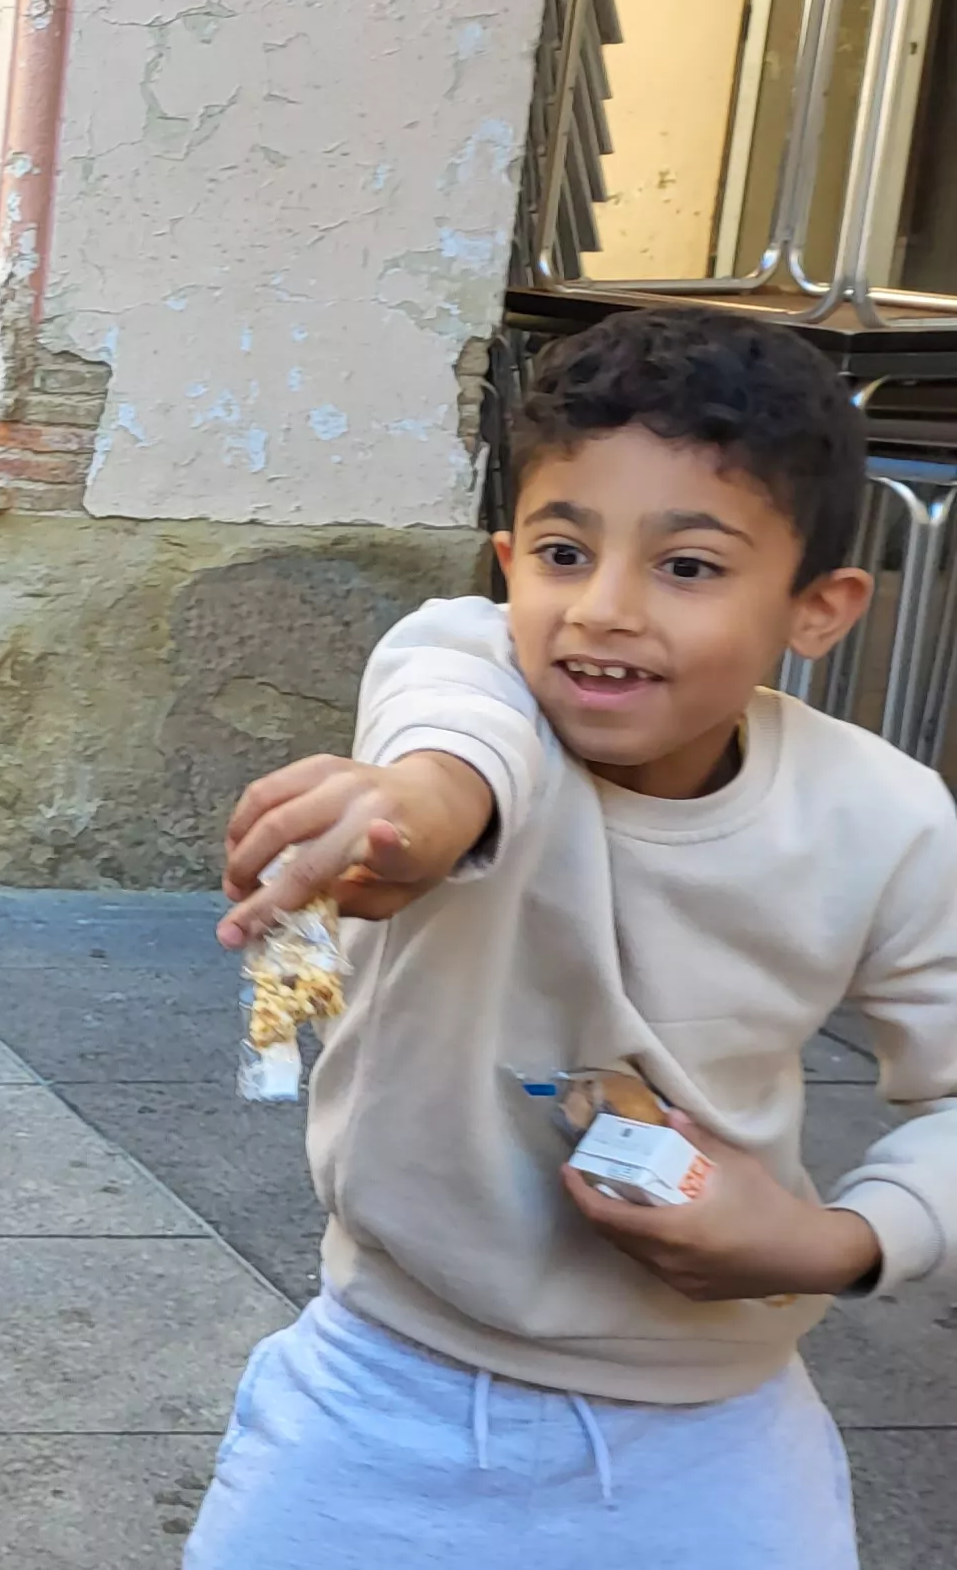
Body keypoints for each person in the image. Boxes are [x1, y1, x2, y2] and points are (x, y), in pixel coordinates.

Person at [192, 308, 956, 1567]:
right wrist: (422, 809)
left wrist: (832, 1242)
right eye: (560, 551)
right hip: (384, 1390)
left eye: (688, 566)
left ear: (817, 608)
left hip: (714, 1437)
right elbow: (454, 724)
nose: (601, 611)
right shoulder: (466, 679)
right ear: (506, 566)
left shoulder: (884, 819)